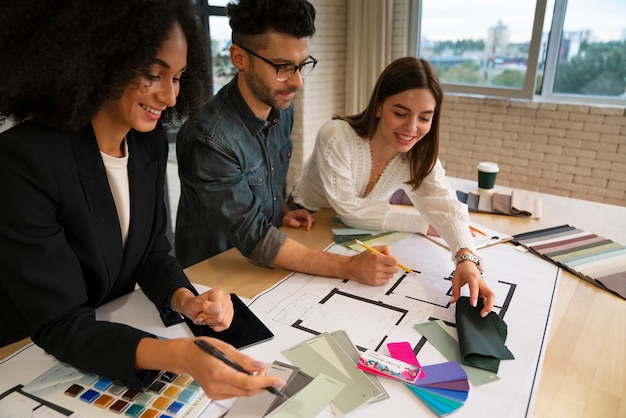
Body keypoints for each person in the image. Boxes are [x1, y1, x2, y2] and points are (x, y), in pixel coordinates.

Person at [0, 0, 284, 399]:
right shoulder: (24, 160)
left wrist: (186, 299)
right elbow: (59, 321)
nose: (170, 97)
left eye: (179, 78)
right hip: (23, 356)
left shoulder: (147, 144)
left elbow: (151, 253)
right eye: (154, 74)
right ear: (100, 61)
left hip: (101, 334)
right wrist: (180, 355)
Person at [175, 0, 399, 285]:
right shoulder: (209, 139)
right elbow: (256, 238)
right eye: (282, 67)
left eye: (302, 65)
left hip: (261, 267)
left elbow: (268, 181)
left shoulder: (280, 107)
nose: (298, 82)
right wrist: (350, 266)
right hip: (212, 278)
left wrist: (281, 212)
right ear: (239, 58)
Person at [288, 57, 495, 316]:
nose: (411, 128)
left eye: (425, 118)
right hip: (307, 221)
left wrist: (466, 259)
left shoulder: (418, 155)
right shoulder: (336, 136)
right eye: (400, 113)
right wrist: (420, 223)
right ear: (378, 106)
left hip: (353, 232)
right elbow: (349, 210)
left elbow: (446, 207)